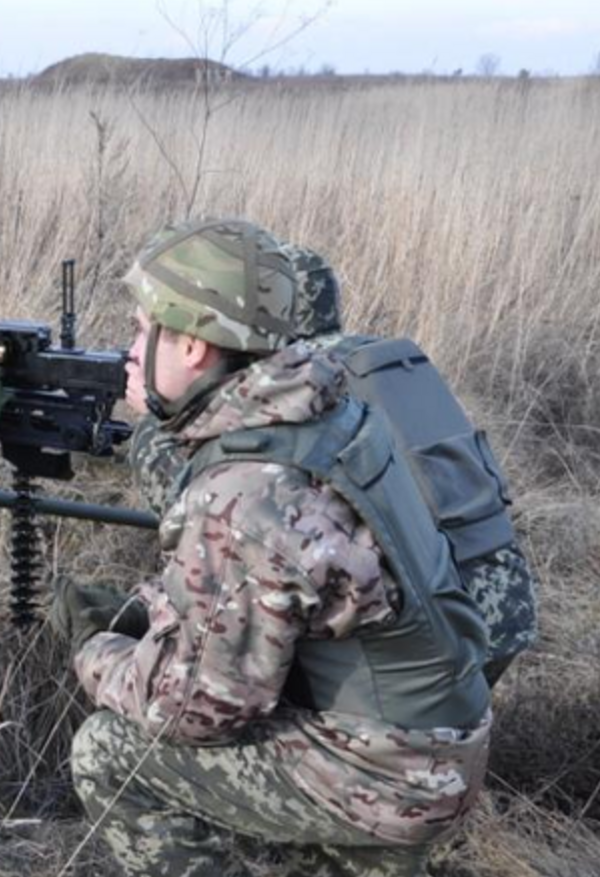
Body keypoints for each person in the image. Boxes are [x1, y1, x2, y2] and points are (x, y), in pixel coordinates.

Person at [49, 219, 493, 877]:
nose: (130, 351)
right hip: (442, 735)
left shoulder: (244, 490)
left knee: (110, 751)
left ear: (195, 345)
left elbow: (197, 710)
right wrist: (154, 609)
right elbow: (283, 583)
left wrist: (97, 649)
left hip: (389, 770)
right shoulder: (321, 408)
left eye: (143, 330)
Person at [127, 240, 538, 688]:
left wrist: (159, 421)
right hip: (503, 602)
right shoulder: (380, 360)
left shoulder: (298, 389)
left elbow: (208, 507)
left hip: (418, 634)